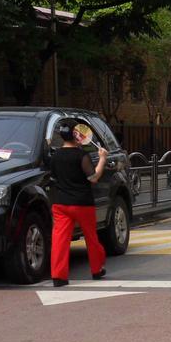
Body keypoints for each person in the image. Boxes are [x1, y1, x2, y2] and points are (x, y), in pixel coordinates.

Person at [49, 123, 109, 287]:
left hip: (61, 203)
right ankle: (97, 269)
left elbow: (54, 177)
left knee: (60, 240)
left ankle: (58, 276)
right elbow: (93, 178)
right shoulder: (81, 156)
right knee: (91, 237)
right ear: (77, 137)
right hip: (82, 203)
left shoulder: (55, 156)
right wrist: (102, 159)